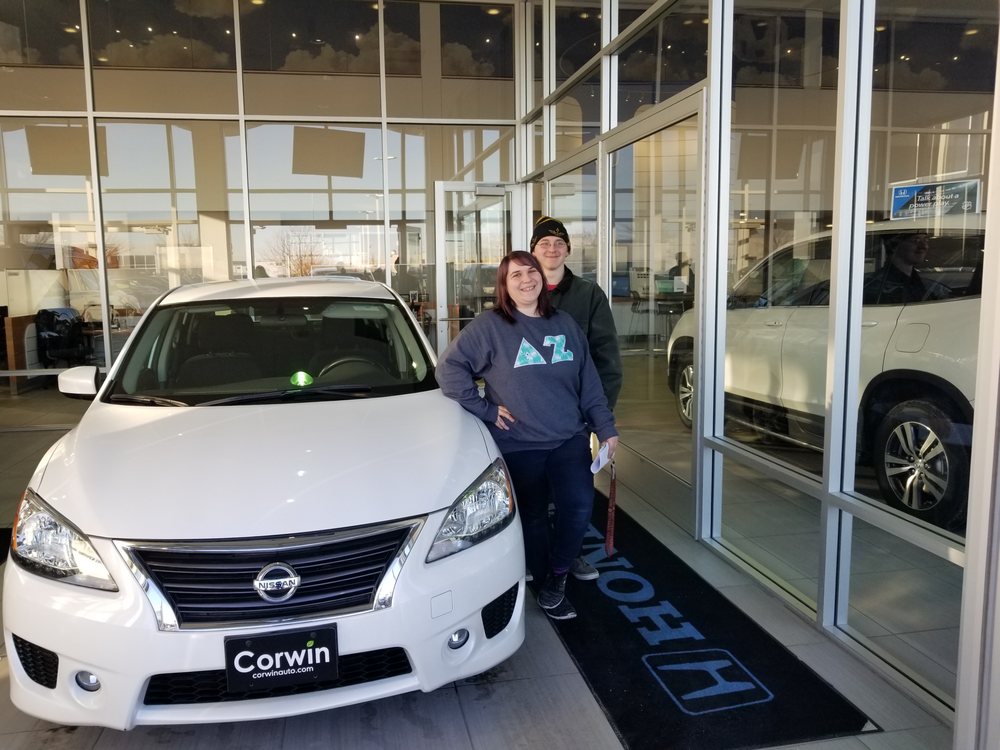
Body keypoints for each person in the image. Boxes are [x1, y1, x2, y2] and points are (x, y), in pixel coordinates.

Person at [436, 251, 619, 620]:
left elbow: (589, 383)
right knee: (533, 516)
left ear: (541, 278)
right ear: (504, 285)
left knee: (578, 507)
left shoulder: (565, 323)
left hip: (568, 438)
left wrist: (606, 428)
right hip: (519, 444)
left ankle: (558, 574)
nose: (526, 280)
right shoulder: (490, 326)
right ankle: (549, 583)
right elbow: (449, 370)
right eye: (515, 275)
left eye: (530, 272)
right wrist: (486, 410)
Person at [530, 216, 623, 582]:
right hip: (528, 418)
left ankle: (570, 554)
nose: (552, 249)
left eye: (559, 243)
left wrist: (599, 417)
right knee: (533, 496)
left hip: (573, 418)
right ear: (533, 250)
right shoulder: (522, 289)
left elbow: (607, 360)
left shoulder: (588, 295)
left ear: (568, 249)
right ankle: (534, 556)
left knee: (573, 495)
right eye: (544, 243)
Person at [863, 232, 949, 304]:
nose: (924, 246)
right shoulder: (878, 288)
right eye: (916, 240)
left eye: (925, 240)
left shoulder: (916, 281)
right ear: (893, 245)